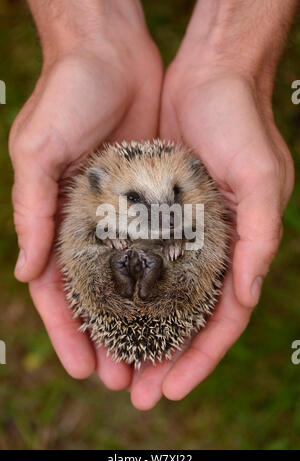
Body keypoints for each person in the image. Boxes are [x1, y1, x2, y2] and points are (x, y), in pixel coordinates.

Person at [9, 0, 297, 410]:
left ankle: (136, 269)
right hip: (109, 285)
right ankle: (136, 270)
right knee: (89, 258)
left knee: (195, 265)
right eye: (136, 199)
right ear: (99, 188)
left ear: (192, 182)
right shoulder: (91, 200)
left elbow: (206, 244)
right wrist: (230, 64)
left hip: (171, 286)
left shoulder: (198, 203)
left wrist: (88, 40)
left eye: (175, 197)